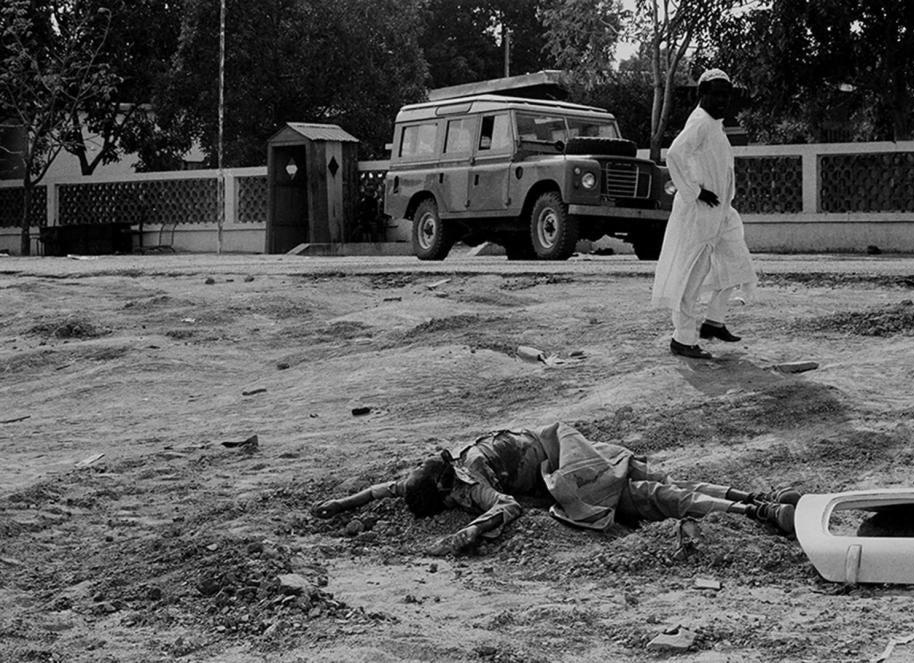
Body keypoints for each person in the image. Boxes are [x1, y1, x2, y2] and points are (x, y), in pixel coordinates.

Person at [311, 422, 799, 556]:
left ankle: (761, 513)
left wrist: (461, 537)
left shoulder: (469, 475)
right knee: (663, 484)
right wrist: (344, 502)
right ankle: (758, 501)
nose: (451, 504)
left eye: (446, 501)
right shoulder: (438, 471)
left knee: (656, 497)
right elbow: (384, 489)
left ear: (446, 486)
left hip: (570, 467)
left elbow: (503, 509)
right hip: (564, 448)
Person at [651, 68, 757, 360]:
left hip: (722, 212)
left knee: (737, 264)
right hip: (700, 213)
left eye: (727, 95)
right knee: (692, 276)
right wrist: (696, 192)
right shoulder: (699, 122)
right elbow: (673, 154)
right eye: (717, 94)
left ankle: (713, 321)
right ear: (703, 94)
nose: (723, 100)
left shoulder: (714, 124)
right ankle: (682, 339)